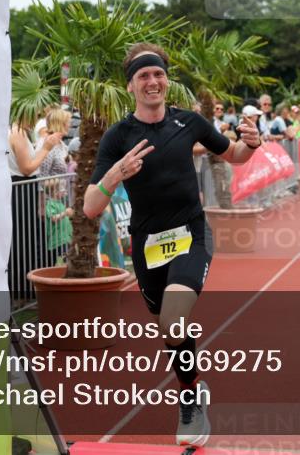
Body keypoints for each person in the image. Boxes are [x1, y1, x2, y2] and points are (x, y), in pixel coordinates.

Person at [84, 43, 261, 447]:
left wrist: (250, 143)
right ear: (130, 86)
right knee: (168, 328)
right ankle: (193, 384)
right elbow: (91, 207)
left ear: (167, 80)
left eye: (158, 74)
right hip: (146, 246)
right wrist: (115, 174)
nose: (153, 81)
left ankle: (189, 397)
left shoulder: (189, 122)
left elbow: (234, 155)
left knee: (172, 321)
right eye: (143, 76)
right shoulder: (118, 136)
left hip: (191, 235)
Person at [8, 119, 62, 300]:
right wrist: (46, 147)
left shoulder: (18, 131)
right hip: (22, 191)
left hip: (23, 191)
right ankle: (22, 291)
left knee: (26, 240)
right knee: (23, 241)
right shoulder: (17, 132)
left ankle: (25, 290)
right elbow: (27, 168)